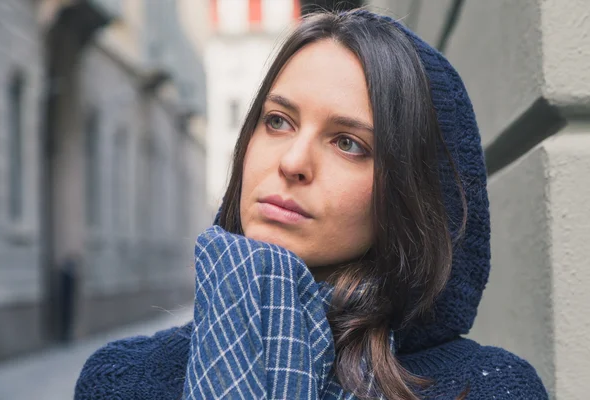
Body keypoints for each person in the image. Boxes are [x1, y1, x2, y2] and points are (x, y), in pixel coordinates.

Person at [75, 9, 548, 400]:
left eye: (348, 143)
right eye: (278, 121)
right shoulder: (124, 381)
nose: (293, 161)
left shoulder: (487, 388)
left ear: (413, 193)